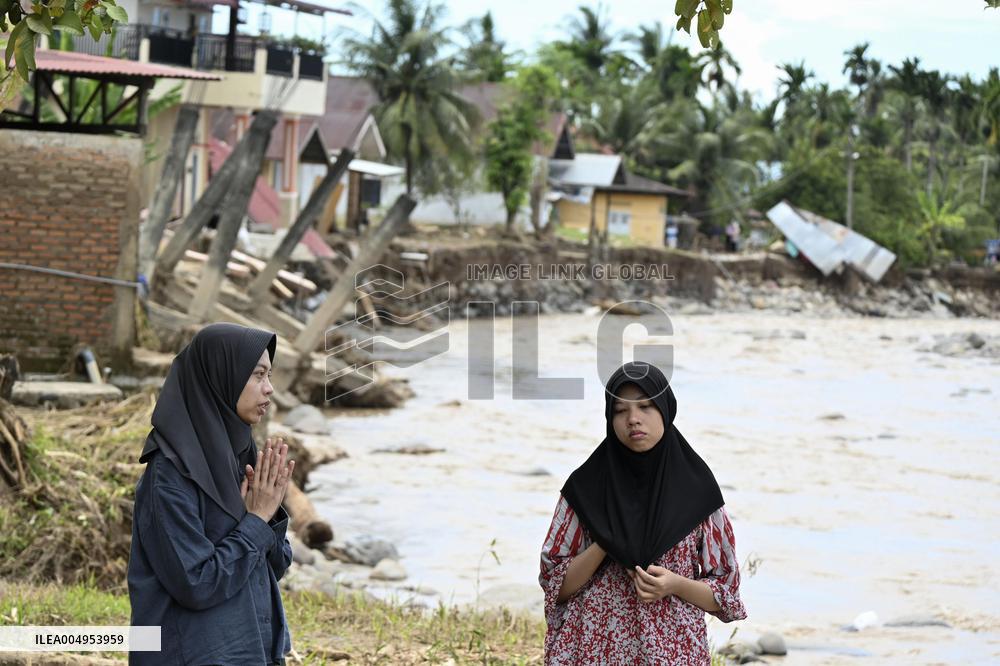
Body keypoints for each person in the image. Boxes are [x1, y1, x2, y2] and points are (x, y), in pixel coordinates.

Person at [539, 362, 746, 665]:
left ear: (665, 409)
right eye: (621, 411)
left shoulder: (698, 492)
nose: (633, 419)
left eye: (646, 407)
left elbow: (726, 595)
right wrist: (607, 541)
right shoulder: (585, 489)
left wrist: (675, 584)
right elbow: (555, 584)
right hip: (591, 652)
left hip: (672, 653)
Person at [127, 323, 296, 665]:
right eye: (258, 375)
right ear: (222, 377)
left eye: (269, 375)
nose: (270, 389)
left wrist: (270, 515)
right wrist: (256, 520)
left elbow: (274, 566)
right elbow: (196, 583)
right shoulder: (170, 474)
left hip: (249, 650)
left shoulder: (240, 454)